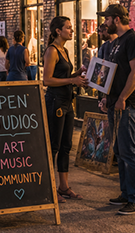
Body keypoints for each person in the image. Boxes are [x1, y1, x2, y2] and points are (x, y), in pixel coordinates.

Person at [98, 4, 135, 215]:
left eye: (107, 19)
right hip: (115, 103)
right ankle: (126, 193)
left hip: (129, 104)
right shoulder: (116, 42)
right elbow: (110, 73)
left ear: (116, 19)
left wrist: (122, 98)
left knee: (129, 150)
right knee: (119, 150)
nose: (105, 23)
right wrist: (105, 97)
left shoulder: (133, 40)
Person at [43, 16, 88, 203]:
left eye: (71, 27)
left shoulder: (64, 50)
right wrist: (72, 80)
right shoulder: (52, 51)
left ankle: (63, 186)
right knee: (53, 145)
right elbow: (47, 80)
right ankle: (50, 188)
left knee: (66, 145)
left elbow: (63, 76)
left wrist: (75, 74)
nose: (71, 30)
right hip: (55, 102)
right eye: (68, 28)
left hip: (67, 102)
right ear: (58, 31)